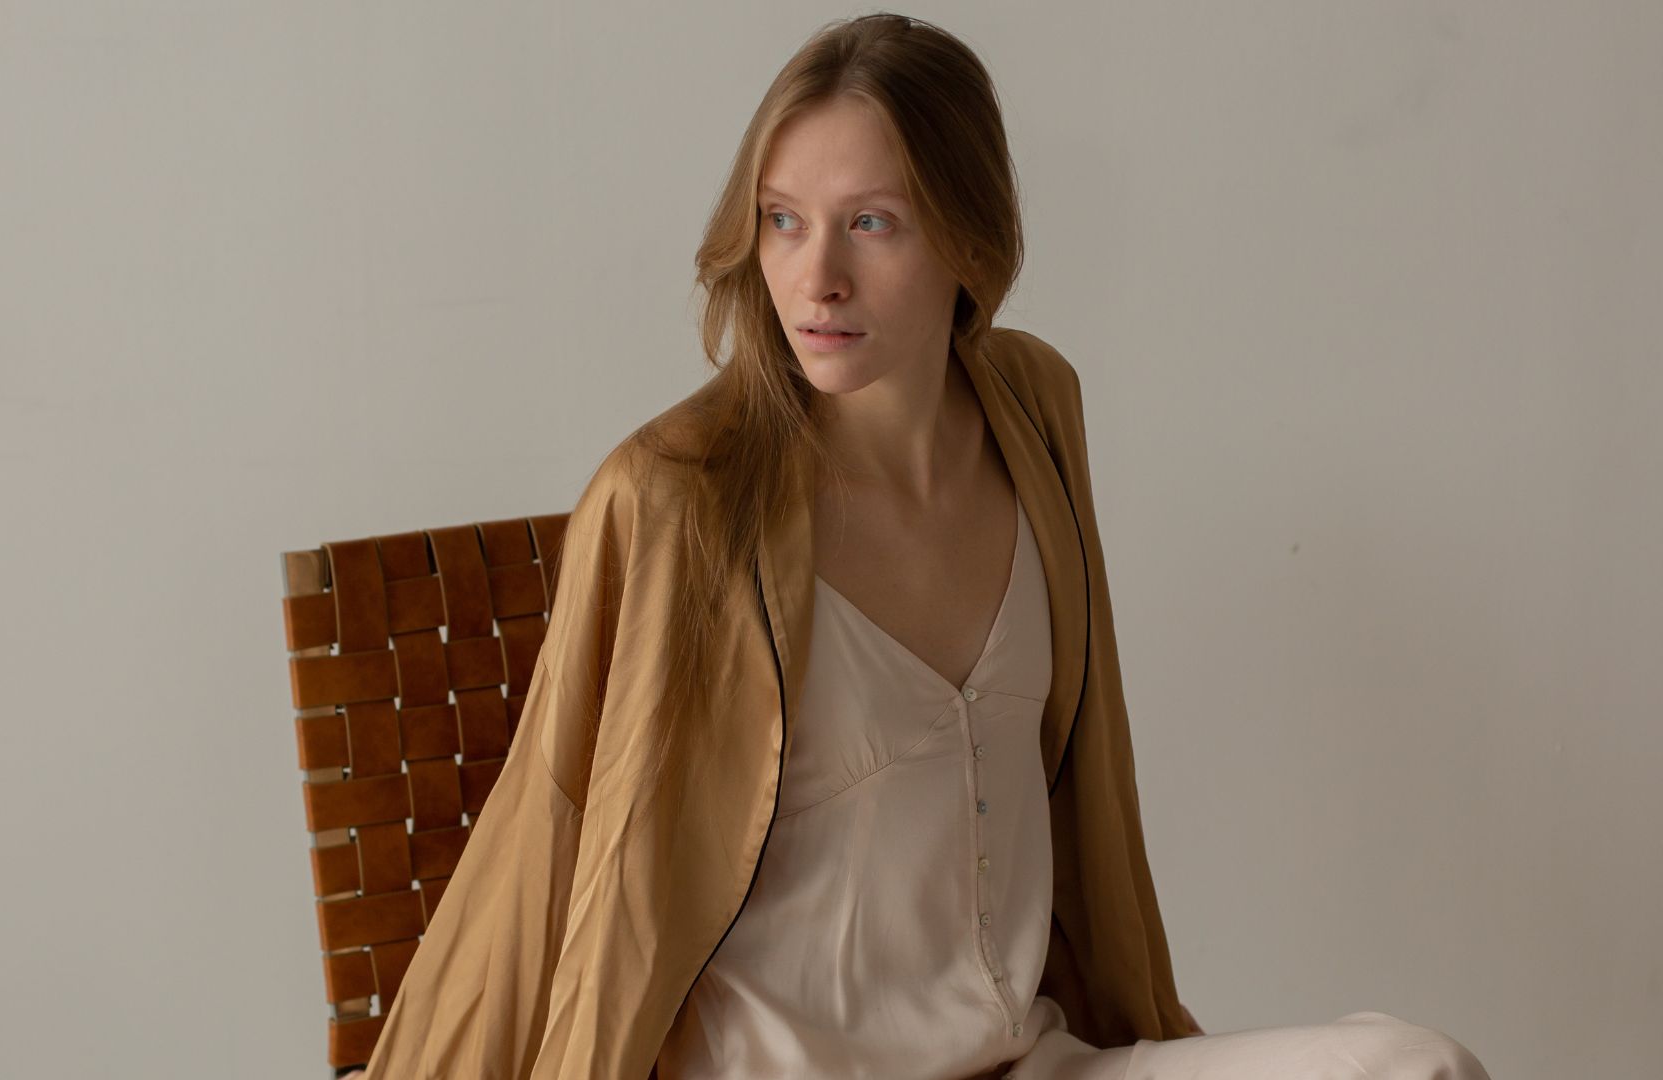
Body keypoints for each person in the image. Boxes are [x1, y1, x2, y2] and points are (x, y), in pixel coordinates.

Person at [357, 14, 1491, 1079]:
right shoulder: (678, 498)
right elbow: (556, 841)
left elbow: (1085, 791)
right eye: (783, 219)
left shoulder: (1034, 409)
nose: (816, 278)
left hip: (1030, 1060)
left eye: (874, 222)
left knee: (1419, 1065)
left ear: (968, 235)